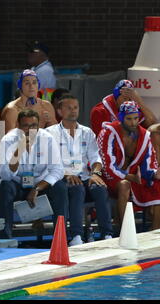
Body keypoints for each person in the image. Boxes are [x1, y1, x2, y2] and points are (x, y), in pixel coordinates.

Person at [97, 101, 160, 230]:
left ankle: (156, 230)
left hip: (134, 175)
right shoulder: (107, 133)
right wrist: (129, 177)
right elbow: (106, 165)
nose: (134, 123)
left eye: (136, 118)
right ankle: (125, 230)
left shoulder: (144, 135)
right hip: (109, 177)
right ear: (121, 117)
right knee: (124, 185)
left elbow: (149, 161)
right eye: (129, 119)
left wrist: (155, 173)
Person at [46, 95, 113, 245]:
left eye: (75, 107)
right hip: (62, 179)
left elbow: (96, 158)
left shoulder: (87, 132)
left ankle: (107, 234)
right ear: (59, 111)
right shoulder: (50, 133)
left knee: (100, 188)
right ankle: (76, 235)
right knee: (77, 189)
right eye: (69, 108)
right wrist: (66, 174)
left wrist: (96, 174)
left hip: (84, 177)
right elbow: (49, 162)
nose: (73, 111)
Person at [0, 109, 68, 239]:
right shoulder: (8, 140)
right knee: (4, 186)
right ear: (18, 126)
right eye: (25, 126)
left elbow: (58, 170)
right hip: (15, 183)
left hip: (39, 184)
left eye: (34, 125)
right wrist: (17, 152)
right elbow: (5, 175)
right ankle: (4, 237)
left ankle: (61, 236)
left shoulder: (48, 139)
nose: (30, 130)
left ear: (39, 126)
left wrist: (37, 188)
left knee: (60, 188)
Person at [90, 79, 157, 137]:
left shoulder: (133, 107)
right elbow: (102, 138)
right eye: (125, 98)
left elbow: (153, 125)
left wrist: (139, 101)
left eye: (130, 99)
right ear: (115, 98)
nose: (127, 102)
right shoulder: (99, 111)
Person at [1, 69, 57, 133]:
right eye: (27, 83)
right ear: (20, 86)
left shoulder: (46, 106)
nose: (31, 86)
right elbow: (10, 140)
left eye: (34, 82)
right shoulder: (12, 110)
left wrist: (51, 122)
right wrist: (39, 124)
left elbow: (56, 135)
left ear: (38, 85)